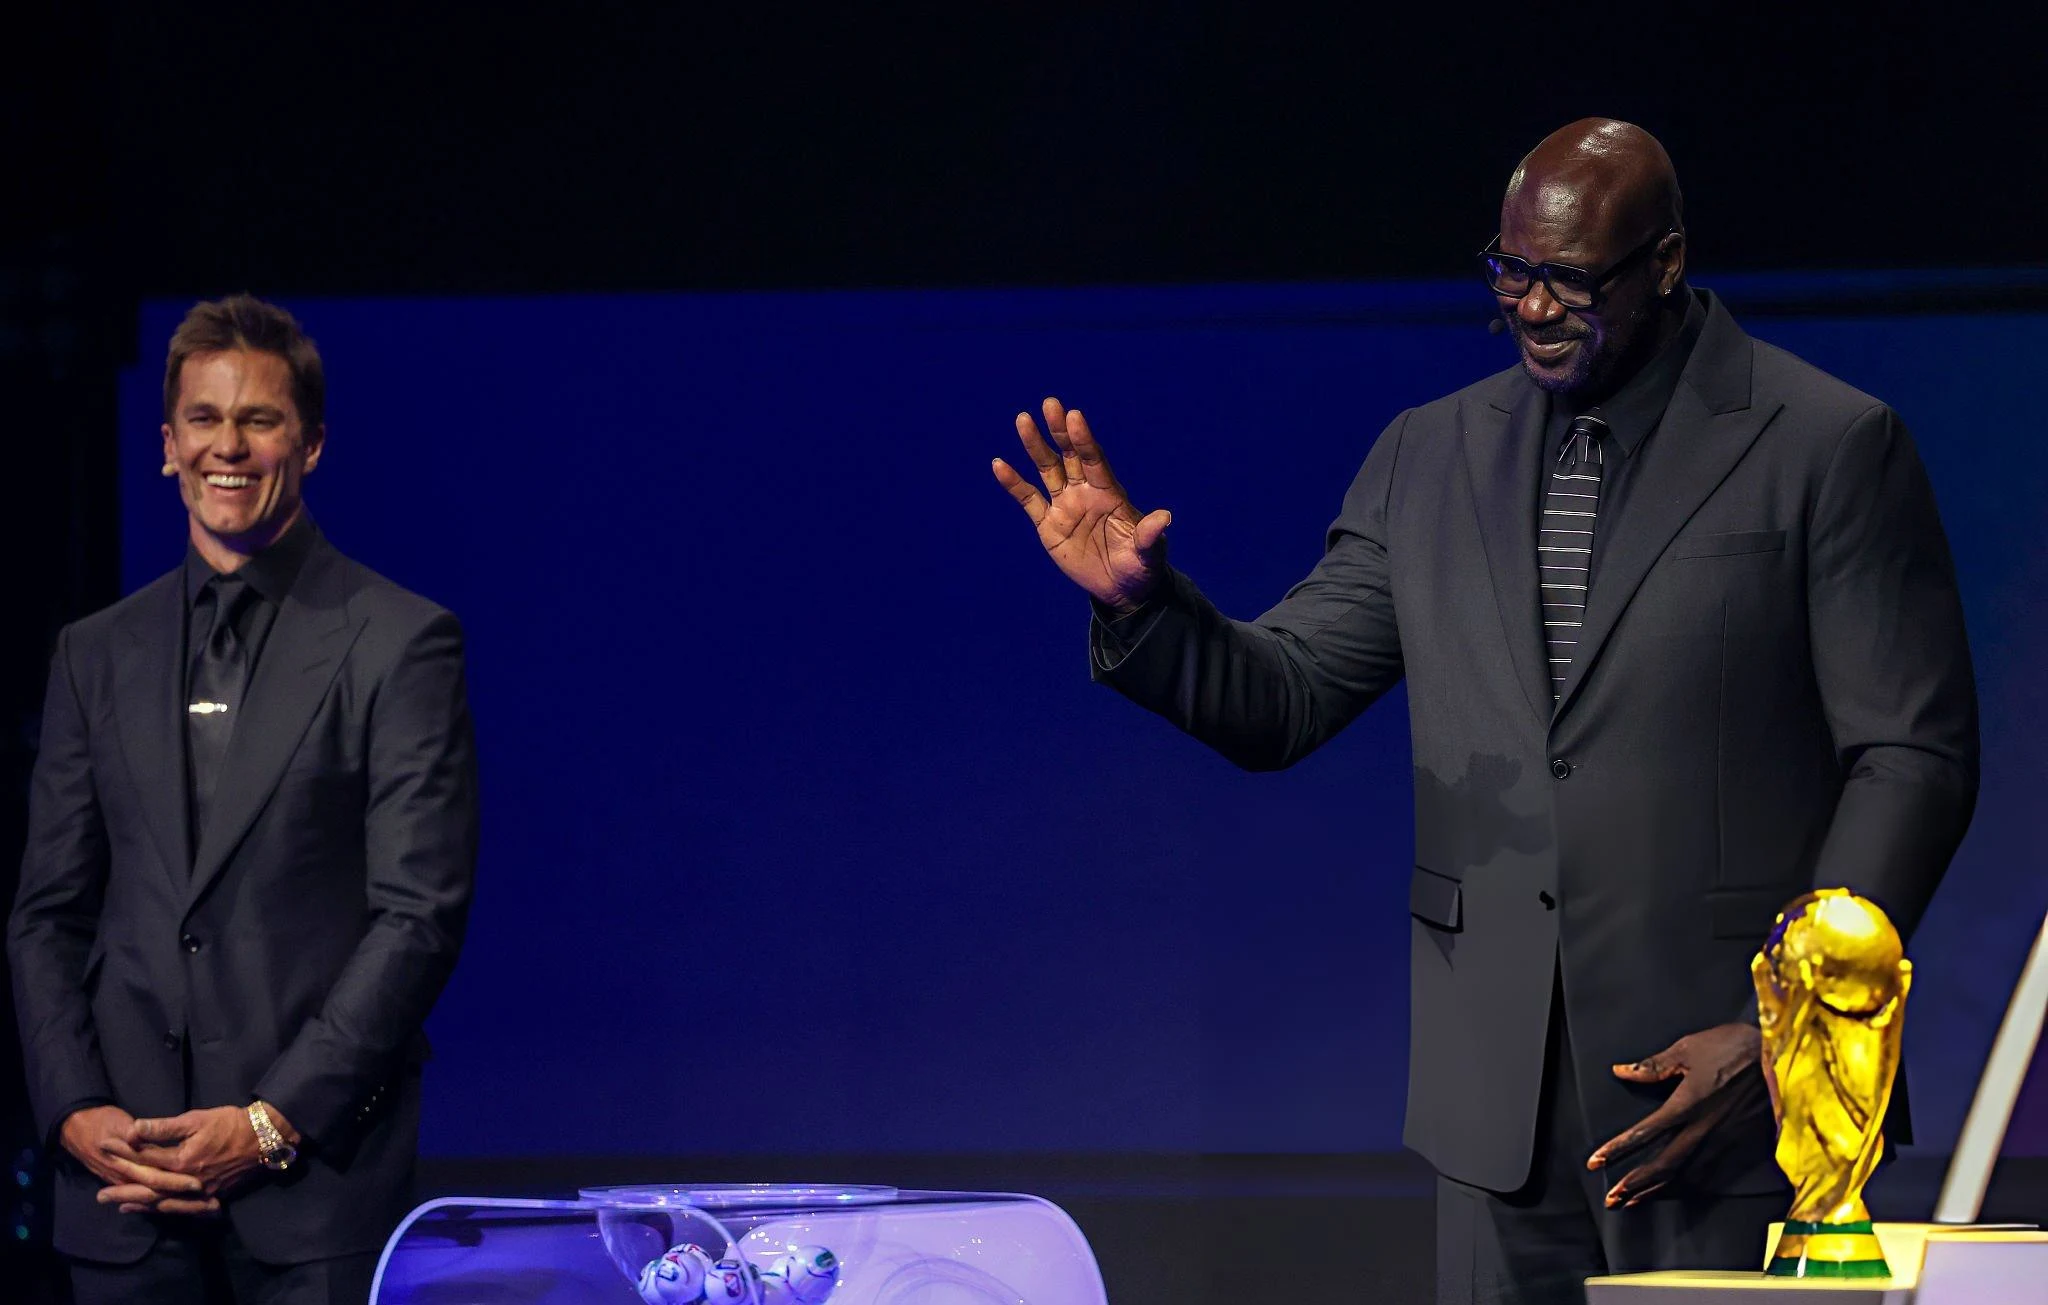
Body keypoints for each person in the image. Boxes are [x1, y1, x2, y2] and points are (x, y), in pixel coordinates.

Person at [994, 119, 1977, 1304]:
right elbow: (1281, 700)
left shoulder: (1824, 442)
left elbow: (1909, 756)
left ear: (1665, 262)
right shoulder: (1430, 454)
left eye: (1569, 278)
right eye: (1509, 272)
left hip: (1725, 1099)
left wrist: (1786, 1036)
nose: (1532, 307)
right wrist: (1143, 606)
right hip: (1494, 1121)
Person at [8, 294, 480, 1304]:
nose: (228, 445)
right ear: (167, 445)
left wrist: (270, 1121)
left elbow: (418, 917)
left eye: (259, 419)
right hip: (124, 1189)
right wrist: (75, 1108)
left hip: (312, 1197)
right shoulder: (95, 653)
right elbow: (47, 913)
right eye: (204, 419)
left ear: (309, 445)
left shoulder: (400, 641)